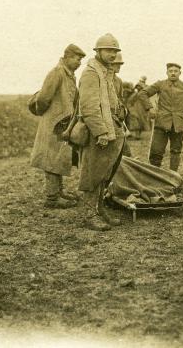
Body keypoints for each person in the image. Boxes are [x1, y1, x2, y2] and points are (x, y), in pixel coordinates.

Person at [76, 33, 128, 231]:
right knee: (93, 173)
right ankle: (89, 214)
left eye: (115, 51)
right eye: (108, 50)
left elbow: (111, 101)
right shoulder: (91, 73)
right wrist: (100, 132)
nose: (113, 54)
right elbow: (89, 107)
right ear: (98, 51)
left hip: (112, 128)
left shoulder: (105, 72)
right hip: (99, 132)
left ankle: (99, 209)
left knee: (105, 172)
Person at [29, 44, 85, 209]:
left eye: (81, 59)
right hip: (53, 125)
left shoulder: (69, 76)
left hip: (63, 126)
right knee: (51, 158)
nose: (79, 62)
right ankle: (52, 198)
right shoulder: (57, 73)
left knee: (59, 158)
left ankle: (59, 192)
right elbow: (43, 99)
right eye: (76, 58)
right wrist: (47, 115)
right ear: (67, 57)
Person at [137, 63, 183, 172]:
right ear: (167, 73)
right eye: (170, 71)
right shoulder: (160, 84)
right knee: (156, 152)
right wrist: (150, 108)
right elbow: (142, 94)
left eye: (175, 71)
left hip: (178, 124)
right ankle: (154, 178)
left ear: (180, 73)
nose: (173, 73)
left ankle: (173, 177)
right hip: (161, 123)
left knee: (176, 151)